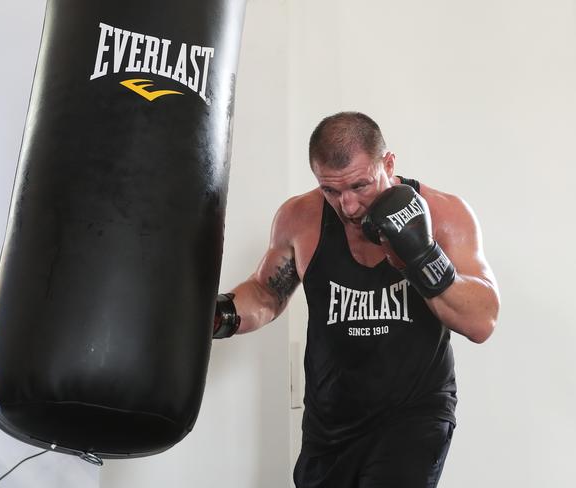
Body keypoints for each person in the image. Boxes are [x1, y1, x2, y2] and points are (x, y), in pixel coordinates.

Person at [213, 111, 500, 488]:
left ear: (389, 164)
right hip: (330, 424)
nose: (347, 205)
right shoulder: (300, 218)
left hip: (414, 416)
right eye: (331, 190)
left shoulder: (444, 214)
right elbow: (266, 293)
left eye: (360, 186)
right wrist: (220, 315)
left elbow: (482, 321)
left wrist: (423, 256)